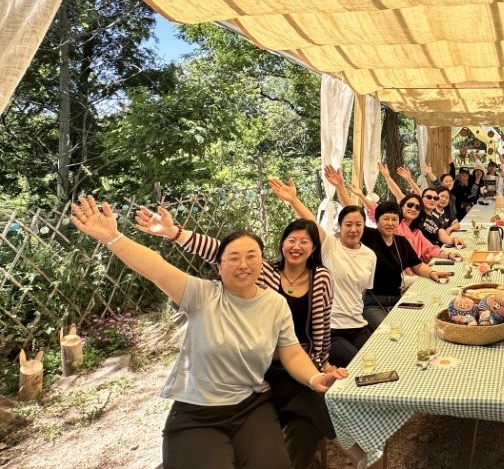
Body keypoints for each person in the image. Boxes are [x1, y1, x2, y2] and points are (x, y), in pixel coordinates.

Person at [71, 196, 348, 469]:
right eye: (234, 258)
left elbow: (292, 353)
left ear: (262, 262)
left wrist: (314, 377)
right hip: (197, 411)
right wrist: (113, 237)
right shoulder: (201, 295)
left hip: (251, 404)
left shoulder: (275, 303)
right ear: (219, 264)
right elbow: (156, 269)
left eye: (251, 256)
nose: (243, 264)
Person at [268, 175, 379, 369]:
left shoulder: (370, 255)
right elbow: (311, 223)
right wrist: (293, 200)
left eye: (358, 225)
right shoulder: (330, 246)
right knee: (359, 366)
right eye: (348, 225)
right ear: (340, 226)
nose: (353, 229)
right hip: (332, 330)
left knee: (380, 358)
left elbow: (362, 292)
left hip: (358, 325)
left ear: (364, 227)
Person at [361, 201, 451, 329]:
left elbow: (417, 266)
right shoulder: (368, 236)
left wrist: (432, 273)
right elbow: (352, 218)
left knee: (416, 325)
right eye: (386, 219)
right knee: (387, 332)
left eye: (394, 219)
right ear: (377, 220)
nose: (390, 223)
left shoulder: (401, 242)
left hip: (398, 300)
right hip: (372, 303)